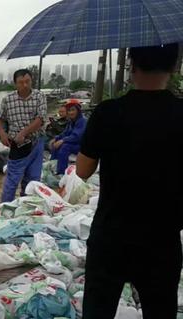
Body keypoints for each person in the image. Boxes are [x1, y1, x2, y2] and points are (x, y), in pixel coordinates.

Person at [77, 43, 182, 319]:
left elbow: (82, 171)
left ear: (132, 65)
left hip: (111, 236)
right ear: (174, 66)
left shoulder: (108, 112)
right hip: (162, 239)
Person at [0, 69, 47, 202]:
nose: (24, 85)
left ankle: (25, 207)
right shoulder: (8, 99)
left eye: (27, 81)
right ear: (15, 83)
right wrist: (2, 134)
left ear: (31, 81)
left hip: (36, 142)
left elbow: (40, 119)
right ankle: (4, 209)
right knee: (12, 180)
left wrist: (24, 133)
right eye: (21, 82)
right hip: (18, 146)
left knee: (33, 180)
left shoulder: (39, 96)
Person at [49, 100, 86, 175]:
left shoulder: (82, 121)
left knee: (65, 146)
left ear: (78, 110)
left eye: (73, 110)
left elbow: (77, 137)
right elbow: (65, 133)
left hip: (83, 146)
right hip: (75, 144)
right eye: (69, 110)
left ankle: (61, 173)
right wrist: (56, 138)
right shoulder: (71, 121)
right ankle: (52, 166)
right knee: (56, 144)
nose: (71, 113)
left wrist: (62, 141)